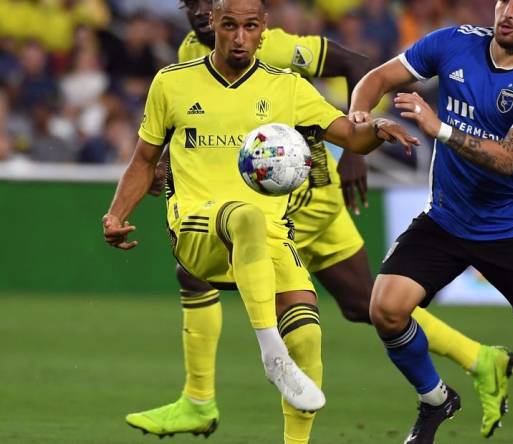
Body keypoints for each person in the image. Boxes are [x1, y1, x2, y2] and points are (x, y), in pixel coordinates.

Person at [130, 0, 513, 441]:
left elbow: (356, 64)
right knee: (362, 304)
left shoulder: (272, 47)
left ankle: (200, 400)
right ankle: (480, 358)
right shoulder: (189, 54)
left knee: (204, 265)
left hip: (299, 195)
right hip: (288, 192)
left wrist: (354, 151)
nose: (203, 11)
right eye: (196, 3)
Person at [102, 0, 418, 442]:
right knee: (244, 215)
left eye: (250, 26)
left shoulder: (287, 88)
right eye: (229, 25)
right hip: (196, 227)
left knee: (307, 333)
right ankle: (271, 351)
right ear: (214, 23)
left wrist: (377, 129)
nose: (239, 37)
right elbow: (144, 159)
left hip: (269, 235)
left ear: (264, 28)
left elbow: (350, 136)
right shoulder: (172, 82)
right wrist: (117, 213)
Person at [350, 1, 513, 443]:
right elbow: (376, 79)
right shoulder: (453, 43)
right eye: (504, 1)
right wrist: (359, 114)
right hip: (446, 218)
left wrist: (441, 130)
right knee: (385, 309)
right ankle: (436, 399)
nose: (509, 11)